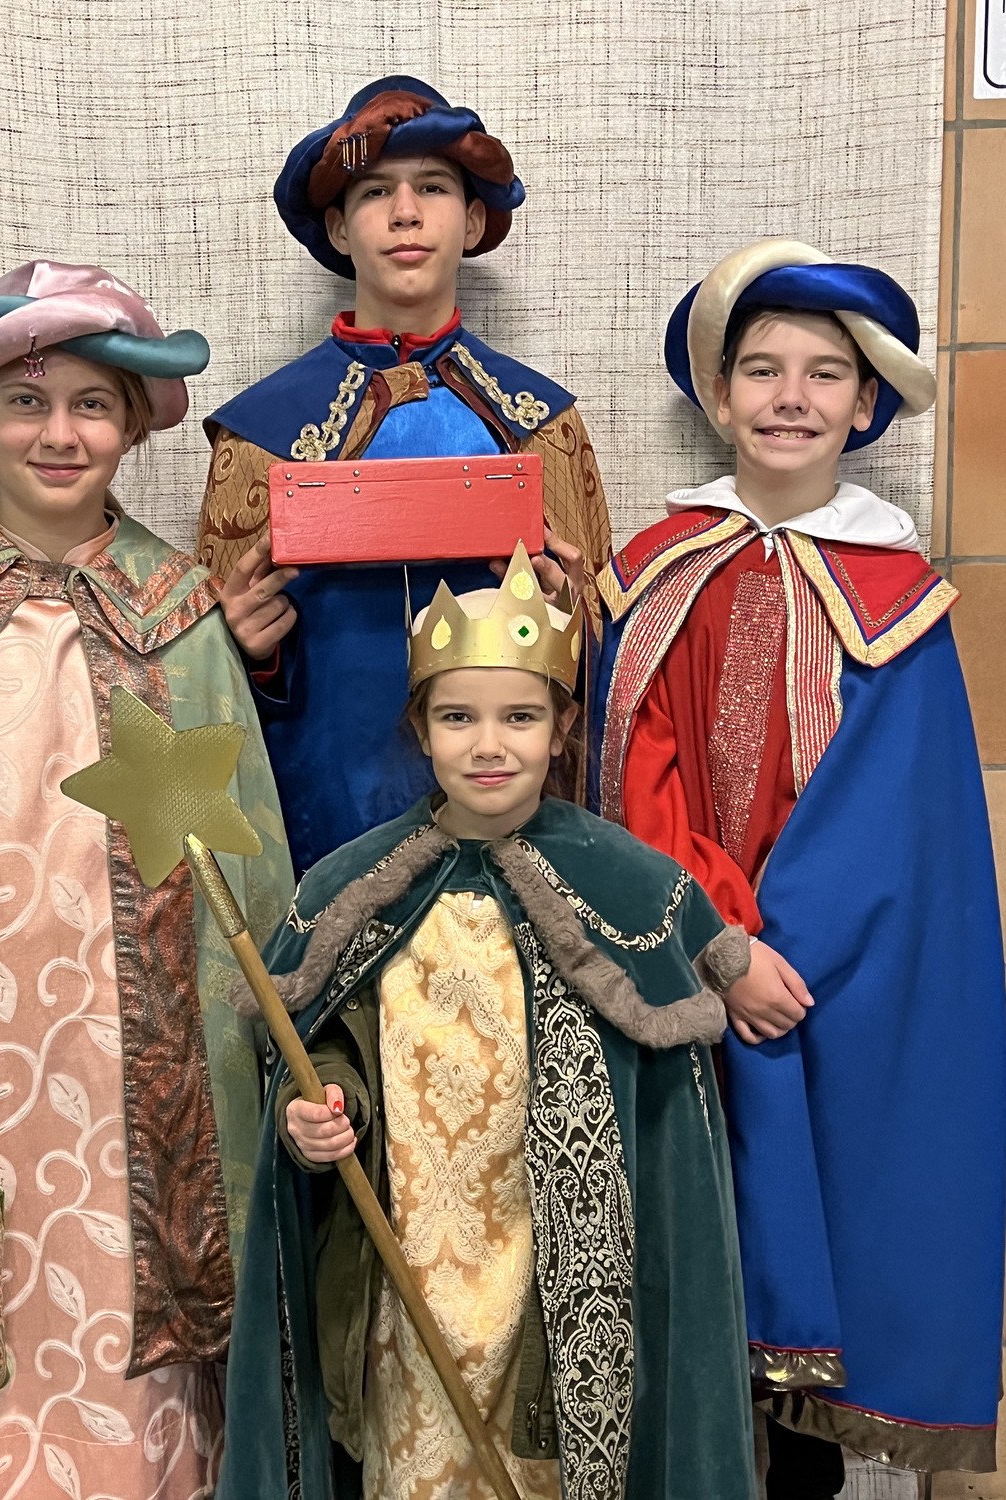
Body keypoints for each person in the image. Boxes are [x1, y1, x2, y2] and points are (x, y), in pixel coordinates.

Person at [217, 544, 756, 1500]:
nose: (488, 745)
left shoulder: (629, 887)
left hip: (562, 1280)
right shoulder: (352, 887)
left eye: (520, 716)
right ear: (419, 730)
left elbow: (669, 1134)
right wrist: (323, 1106)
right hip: (412, 1281)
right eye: (457, 717)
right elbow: (327, 1047)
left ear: (561, 727)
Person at [595, 239, 1006, 1491]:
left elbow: (901, 831)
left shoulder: (902, 597)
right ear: (718, 397)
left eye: (824, 374)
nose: (790, 397)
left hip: (830, 993)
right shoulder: (653, 574)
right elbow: (635, 778)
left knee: (813, 1286)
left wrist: (783, 962)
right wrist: (718, 943)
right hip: (680, 966)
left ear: (865, 403)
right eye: (761, 369)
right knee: (685, 1278)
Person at [0, 260, 293, 1497]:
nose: (58, 434)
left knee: (120, 1287)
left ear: (133, 425)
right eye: (26, 401)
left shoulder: (177, 611)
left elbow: (241, 865)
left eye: (92, 405)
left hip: (132, 1058)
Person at [196, 77, 612, 873]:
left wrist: (572, 621)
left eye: (433, 187)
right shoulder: (260, 436)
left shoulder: (541, 426)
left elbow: (606, 658)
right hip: (317, 809)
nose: (405, 212)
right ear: (337, 227)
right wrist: (242, 647)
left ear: (474, 220)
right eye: (374, 192)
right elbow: (203, 681)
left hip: (507, 815)